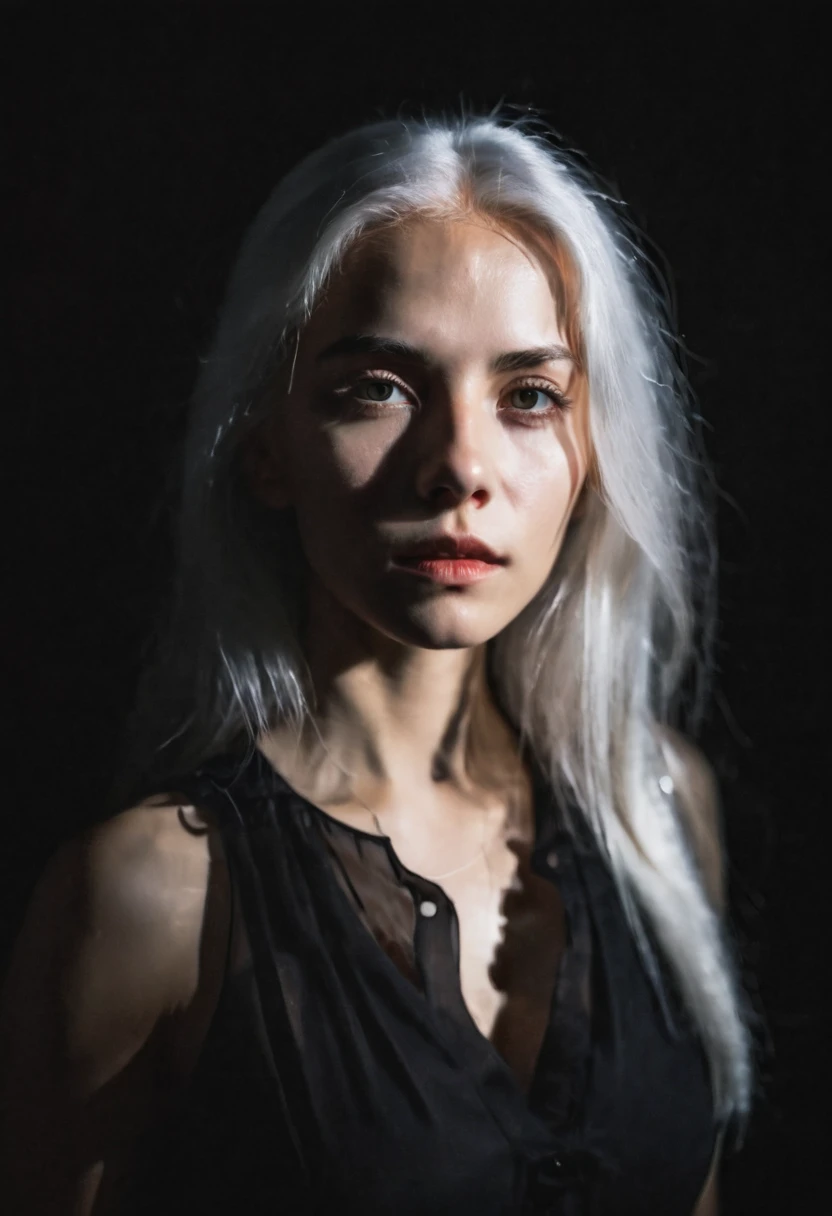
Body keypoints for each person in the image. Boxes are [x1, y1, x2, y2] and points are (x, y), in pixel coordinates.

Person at [0, 109, 754, 1215]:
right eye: (379, 387)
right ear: (265, 442)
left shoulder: (661, 809)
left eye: (529, 396)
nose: (458, 465)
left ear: (595, 452)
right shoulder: (150, 901)